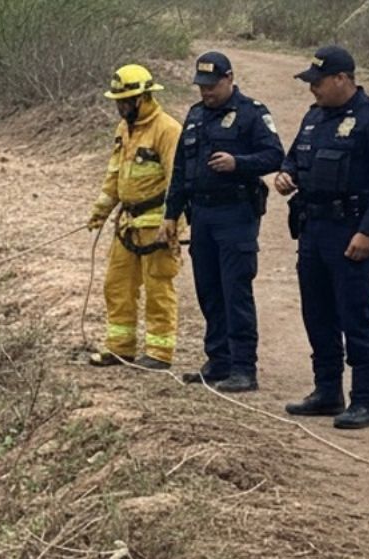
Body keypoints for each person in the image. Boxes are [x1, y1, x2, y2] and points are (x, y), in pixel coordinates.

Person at [275, 46, 369, 429]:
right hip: (313, 229)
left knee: (354, 314)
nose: (312, 89)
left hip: (351, 232)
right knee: (318, 313)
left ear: (342, 79)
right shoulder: (314, 118)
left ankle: (365, 400)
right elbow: (294, 158)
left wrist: (368, 230)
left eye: (318, 82)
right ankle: (327, 391)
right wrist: (285, 174)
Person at [161, 52, 284, 392]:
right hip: (201, 215)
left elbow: (275, 155)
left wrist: (238, 162)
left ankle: (244, 367)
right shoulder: (196, 115)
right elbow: (181, 170)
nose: (206, 93)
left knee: (235, 290)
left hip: (236, 215)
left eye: (212, 86)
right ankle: (218, 361)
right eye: (201, 86)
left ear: (229, 78)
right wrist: (171, 214)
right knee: (209, 290)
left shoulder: (251, 113)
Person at [86, 64, 184, 370]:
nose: (121, 107)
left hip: (157, 226)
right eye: (118, 101)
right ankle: (120, 348)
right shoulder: (124, 129)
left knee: (158, 288)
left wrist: (172, 225)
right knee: (116, 285)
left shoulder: (167, 130)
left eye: (126, 101)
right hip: (127, 225)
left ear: (143, 98)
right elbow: (115, 173)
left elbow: (177, 182)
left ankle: (159, 352)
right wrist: (101, 212)